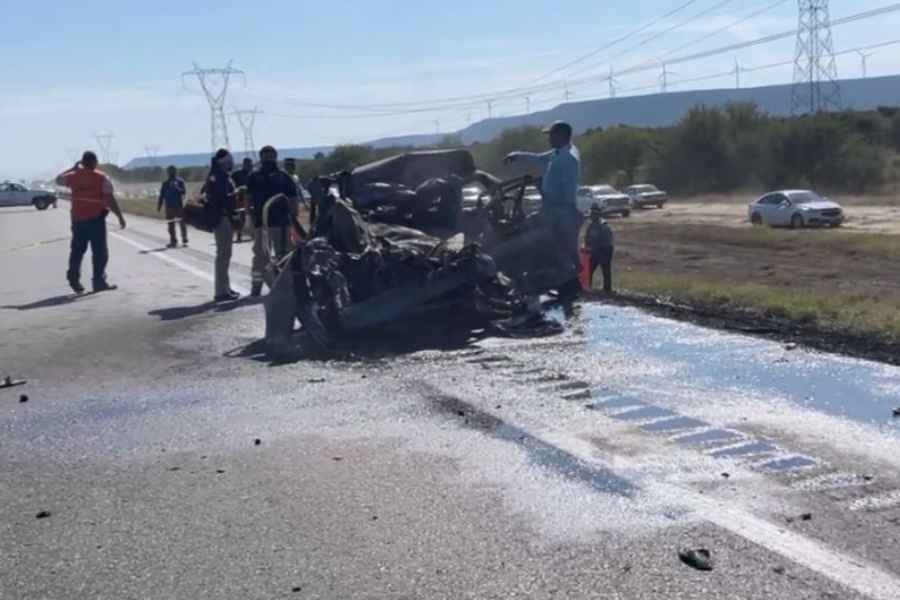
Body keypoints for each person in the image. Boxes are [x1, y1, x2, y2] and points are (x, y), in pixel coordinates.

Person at [504, 121, 582, 299]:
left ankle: (567, 289)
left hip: (561, 212)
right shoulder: (559, 152)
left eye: (551, 135)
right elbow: (539, 158)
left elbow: (568, 191)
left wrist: (553, 208)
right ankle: (565, 289)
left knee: (558, 249)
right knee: (558, 250)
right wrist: (517, 155)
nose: (549, 139)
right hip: (553, 209)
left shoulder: (568, 158)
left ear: (561, 136)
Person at [55, 151, 127, 293]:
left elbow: (58, 180)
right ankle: (99, 282)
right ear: (95, 162)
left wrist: (72, 169)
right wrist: (120, 216)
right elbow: (110, 199)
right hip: (96, 220)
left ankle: (74, 279)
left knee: (77, 251)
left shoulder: (73, 176)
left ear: (82, 162)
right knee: (100, 252)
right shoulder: (101, 177)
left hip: (77, 220)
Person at [247, 146, 300, 297]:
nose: (269, 159)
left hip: (281, 223)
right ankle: (256, 287)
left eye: (271, 156)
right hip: (261, 224)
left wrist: (293, 218)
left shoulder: (284, 176)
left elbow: (293, 199)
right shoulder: (254, 176)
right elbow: (248, 198)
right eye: (266, 156)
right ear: (261, 157)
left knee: (284, 256)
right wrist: (250, 217)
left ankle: (286, 285)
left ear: (275, 157)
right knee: (260, 256)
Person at [204, 148, 240, 302]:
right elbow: (223, 198)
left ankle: (225, 288)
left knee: (224, 256)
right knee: (223, 256)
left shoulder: (215, 175)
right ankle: (221, 292)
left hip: (220, 218)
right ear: (224, 162)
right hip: (222, 218)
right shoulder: (220, 176)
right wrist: (237, 193)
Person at [585, 203, 614, 293]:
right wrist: (587, 248)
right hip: (595, 251)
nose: (591, 216)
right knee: (589, 270)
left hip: (604, 251)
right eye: (591, 214)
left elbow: (605, 242)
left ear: (598, 215)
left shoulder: (603, 226)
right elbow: (587, 238)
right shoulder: (591, 226)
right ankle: (587, 287)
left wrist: (592, 248)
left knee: (606, 271)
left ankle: (607, 289)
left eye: (593, 214)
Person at [157, 165, 188, 248]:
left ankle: (184, 238)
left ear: (175, 172)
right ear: (168, 173)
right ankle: (173, 240)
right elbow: (162, 195)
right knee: (171, 224)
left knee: (182, 223)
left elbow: (184, 192)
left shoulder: (180, 182)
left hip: (178, 206)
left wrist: (177, 187)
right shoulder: (165, 183)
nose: (172, 173)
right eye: (170, 171)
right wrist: (159, 206)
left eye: (173, 171)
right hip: (169, 207)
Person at [231, 157, 254, 243]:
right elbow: (231, 186)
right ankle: (239, 235)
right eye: (248, 165)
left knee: (253, 217)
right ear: (244, 165)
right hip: (240, 199)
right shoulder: (237, 174)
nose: (250, 167)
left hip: (252, 199)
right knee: (240, 218)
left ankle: (253, 234)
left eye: (251, 165)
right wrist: (239, 188)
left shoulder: (254, 174)